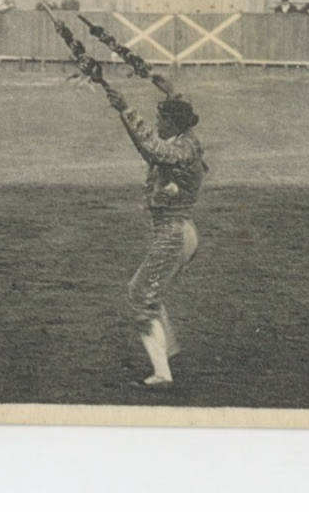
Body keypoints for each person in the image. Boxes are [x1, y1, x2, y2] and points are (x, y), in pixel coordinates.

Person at [102, 86, 207, 391]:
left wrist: (125, 109)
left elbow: (150, 148)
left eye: (162, 120)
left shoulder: (179, 150)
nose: (157, 125)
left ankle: (162, 375)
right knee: (148, 293)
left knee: (139, 297)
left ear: (173, 125)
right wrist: (170, 91)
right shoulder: (187, 141)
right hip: (182, 232)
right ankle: (169, 356)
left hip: (172, 235)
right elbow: (153, 143)